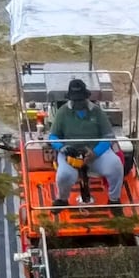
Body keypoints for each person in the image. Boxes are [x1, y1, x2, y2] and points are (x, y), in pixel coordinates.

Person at [46, 78, 123, 206]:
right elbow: (53, 136)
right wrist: (62, 148)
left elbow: (108, 136)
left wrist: (95, 152)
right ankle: (63, 199)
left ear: (86, 97)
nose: (78, 102)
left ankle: (114, 200)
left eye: (81, 99)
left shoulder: (97, 112)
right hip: (70, 154)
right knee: (63, 176)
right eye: (75, 100)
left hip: (95, 153)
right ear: (70, 99)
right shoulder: (62, 112)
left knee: (116, 166)